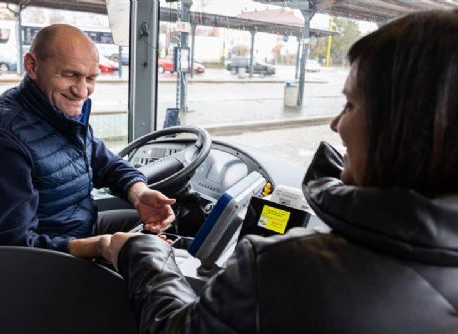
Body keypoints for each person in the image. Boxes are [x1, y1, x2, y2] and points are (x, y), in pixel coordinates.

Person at [102, 9, 458, 334]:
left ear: (401, 127)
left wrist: (142, 251)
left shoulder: (280, 269)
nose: (336, 124)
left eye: (350, 104)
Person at [0, 24, 175, 258]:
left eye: (90, 78)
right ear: (32, 66)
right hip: (51, 263)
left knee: (162, 235)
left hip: (81, 230)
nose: (82, 91)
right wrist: (100, 247)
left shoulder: (60, 113)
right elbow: (13, 247)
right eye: (70, 75)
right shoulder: (0, 138)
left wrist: (139, 194)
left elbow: (104, 163)